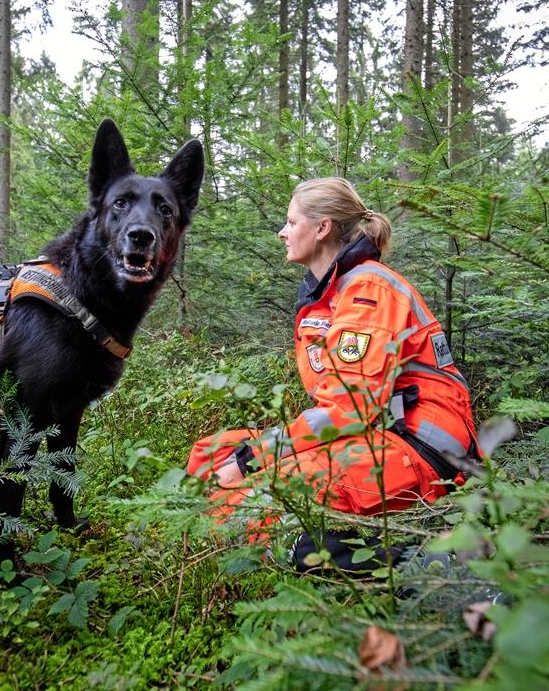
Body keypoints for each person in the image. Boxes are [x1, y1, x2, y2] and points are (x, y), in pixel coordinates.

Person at [186, 176, 480, 534]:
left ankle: (423, 562)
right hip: (373, 432)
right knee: (210, 455)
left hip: (418, 446)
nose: (283, 232)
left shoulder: (367, 292)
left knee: (250, 501)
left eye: (292, 222)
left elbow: (350, 408)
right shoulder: (331, 294)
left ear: (322, 227)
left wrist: (254, 459)